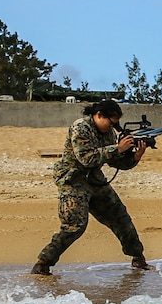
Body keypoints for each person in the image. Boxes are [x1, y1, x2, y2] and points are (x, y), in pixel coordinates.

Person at [31, 99, 152, 275]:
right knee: (75, 225)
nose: (113, 127)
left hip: (94, 180)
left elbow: (116, 163)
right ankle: (43, 263)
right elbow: (86, 158)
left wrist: (135, 156)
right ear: (99, 115)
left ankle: (138, 258)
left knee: (120, 217)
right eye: (111, 122)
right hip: (73, 180)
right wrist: (117, 148)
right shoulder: (81, 127)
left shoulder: (108, 133)